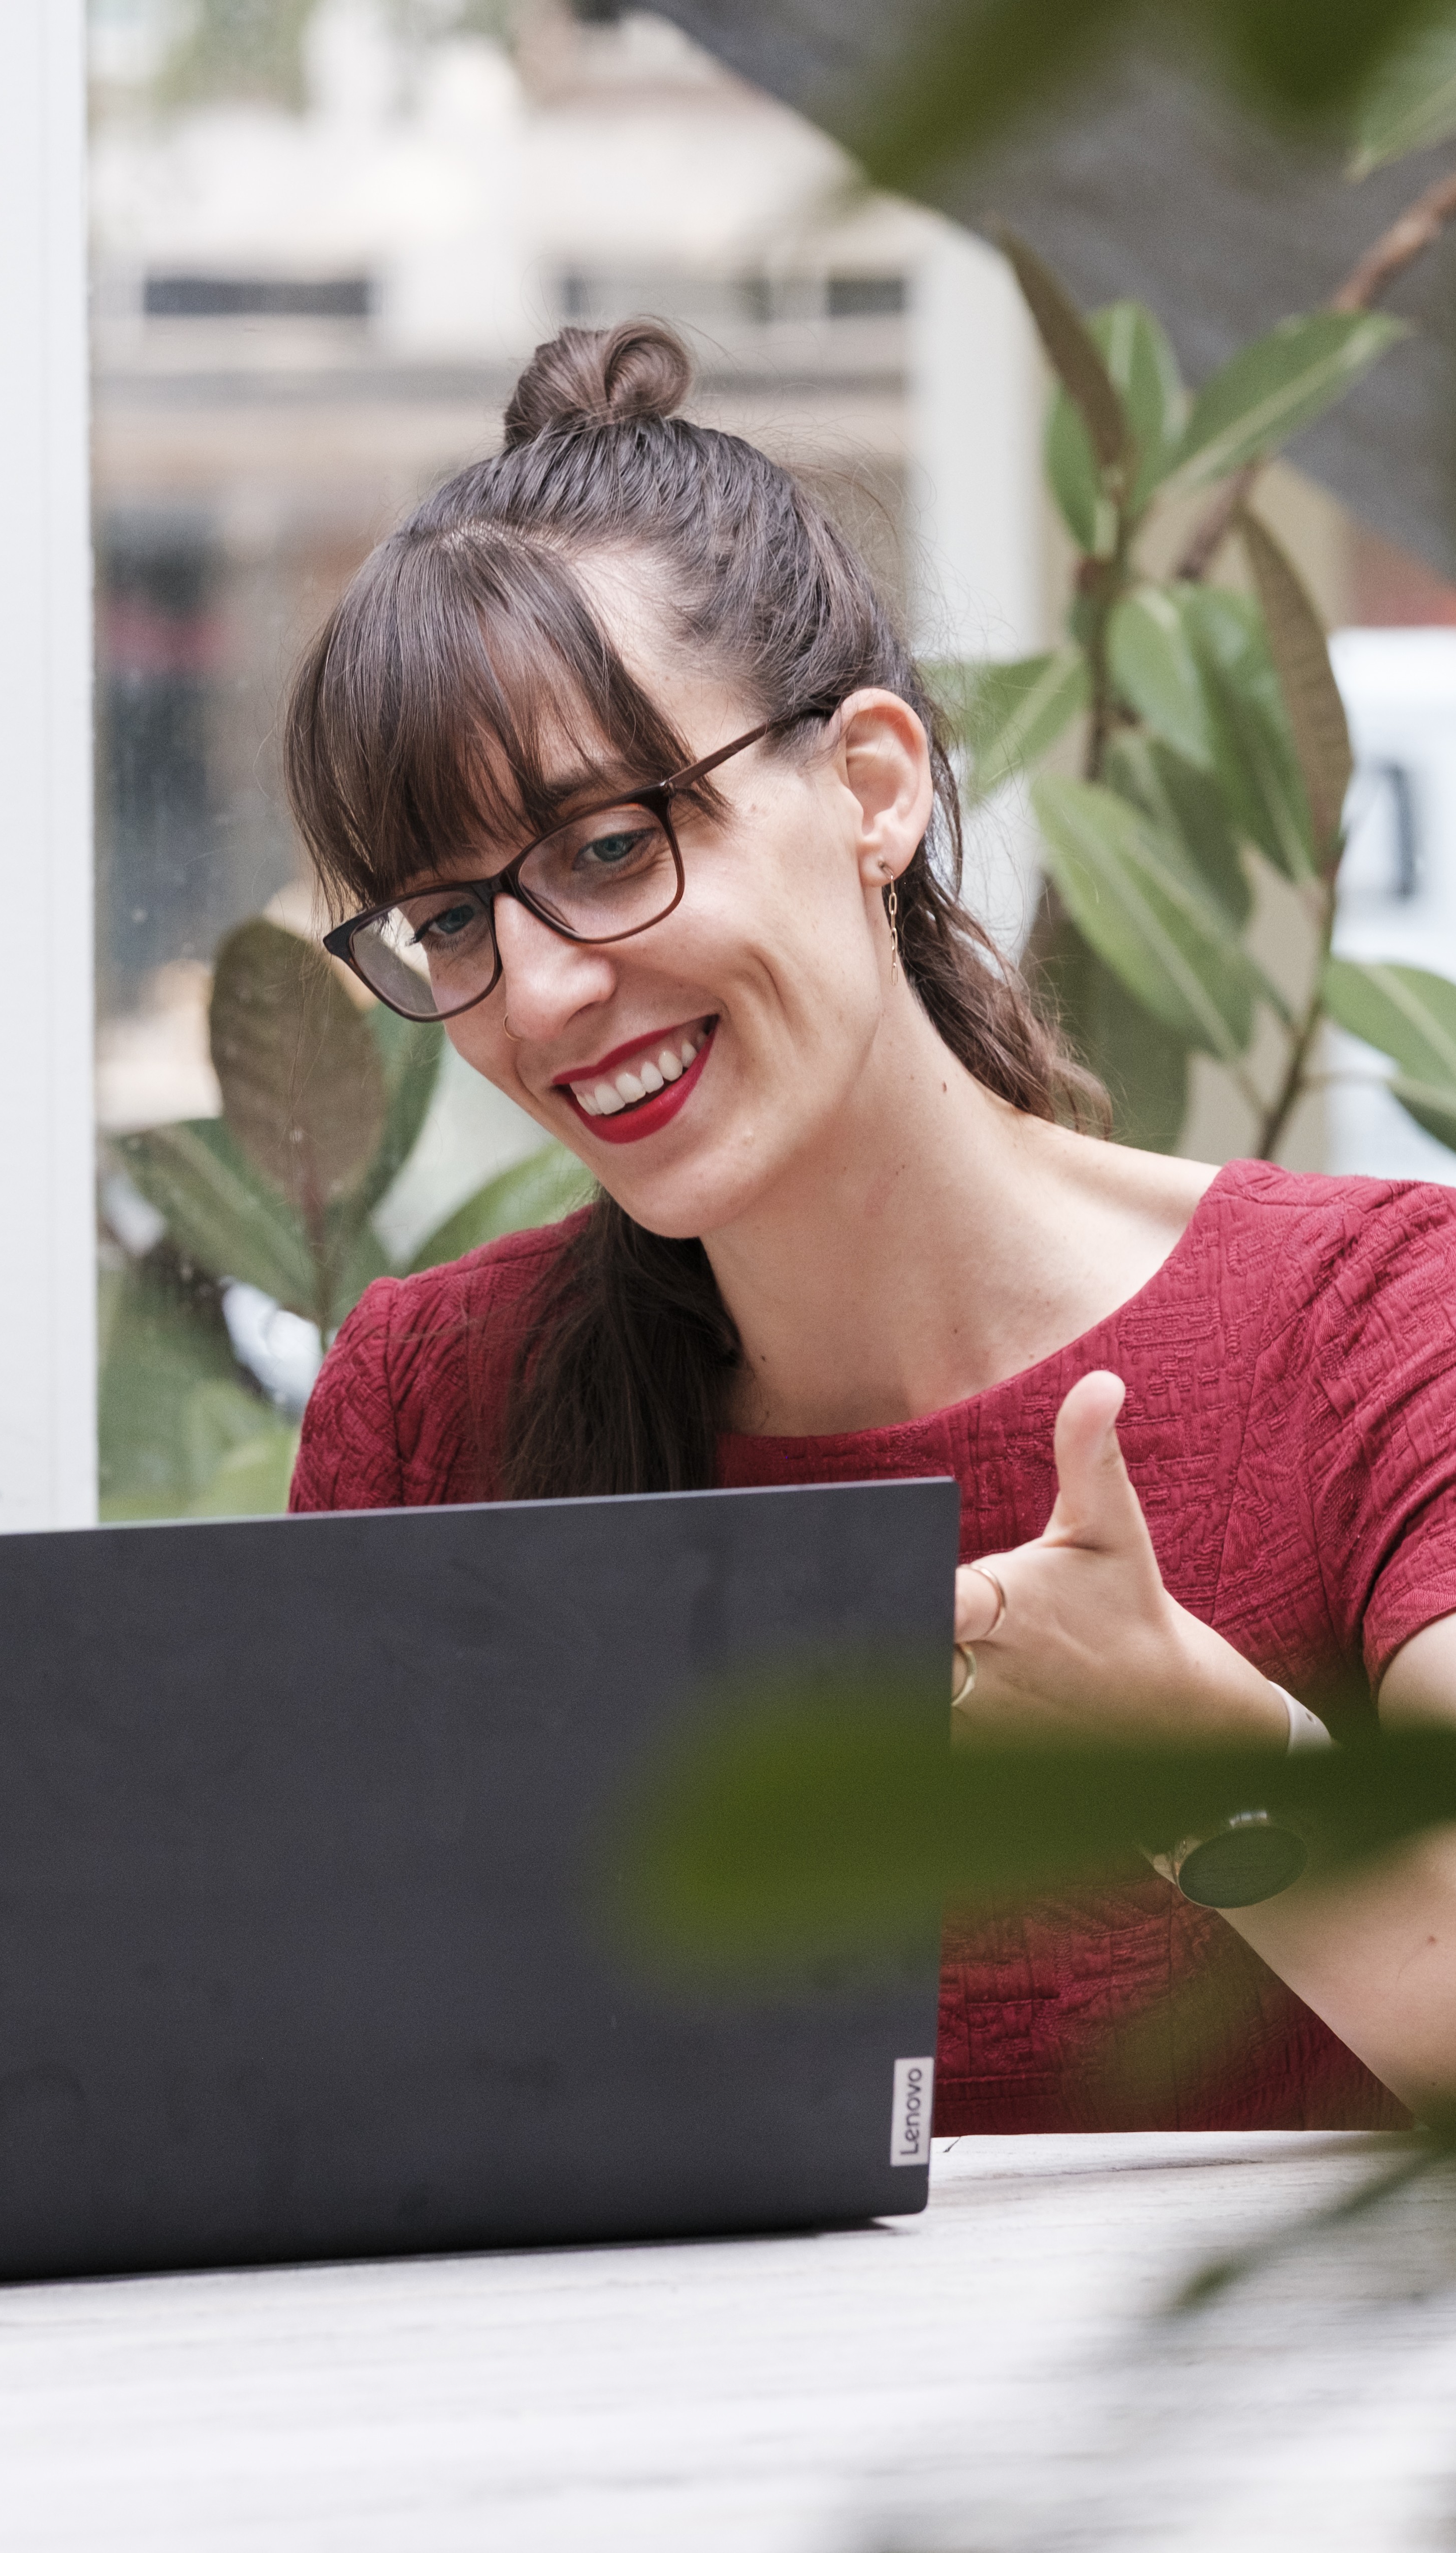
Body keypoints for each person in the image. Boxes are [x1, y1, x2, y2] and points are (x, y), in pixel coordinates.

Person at [284, 320, 1456, 2134]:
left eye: (608, 847)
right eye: (448, 920)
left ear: (871, 788)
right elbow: (328, 2092)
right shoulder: (437, 1404)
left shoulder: (1380, 1322)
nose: (534, 996)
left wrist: (1208, 1772)